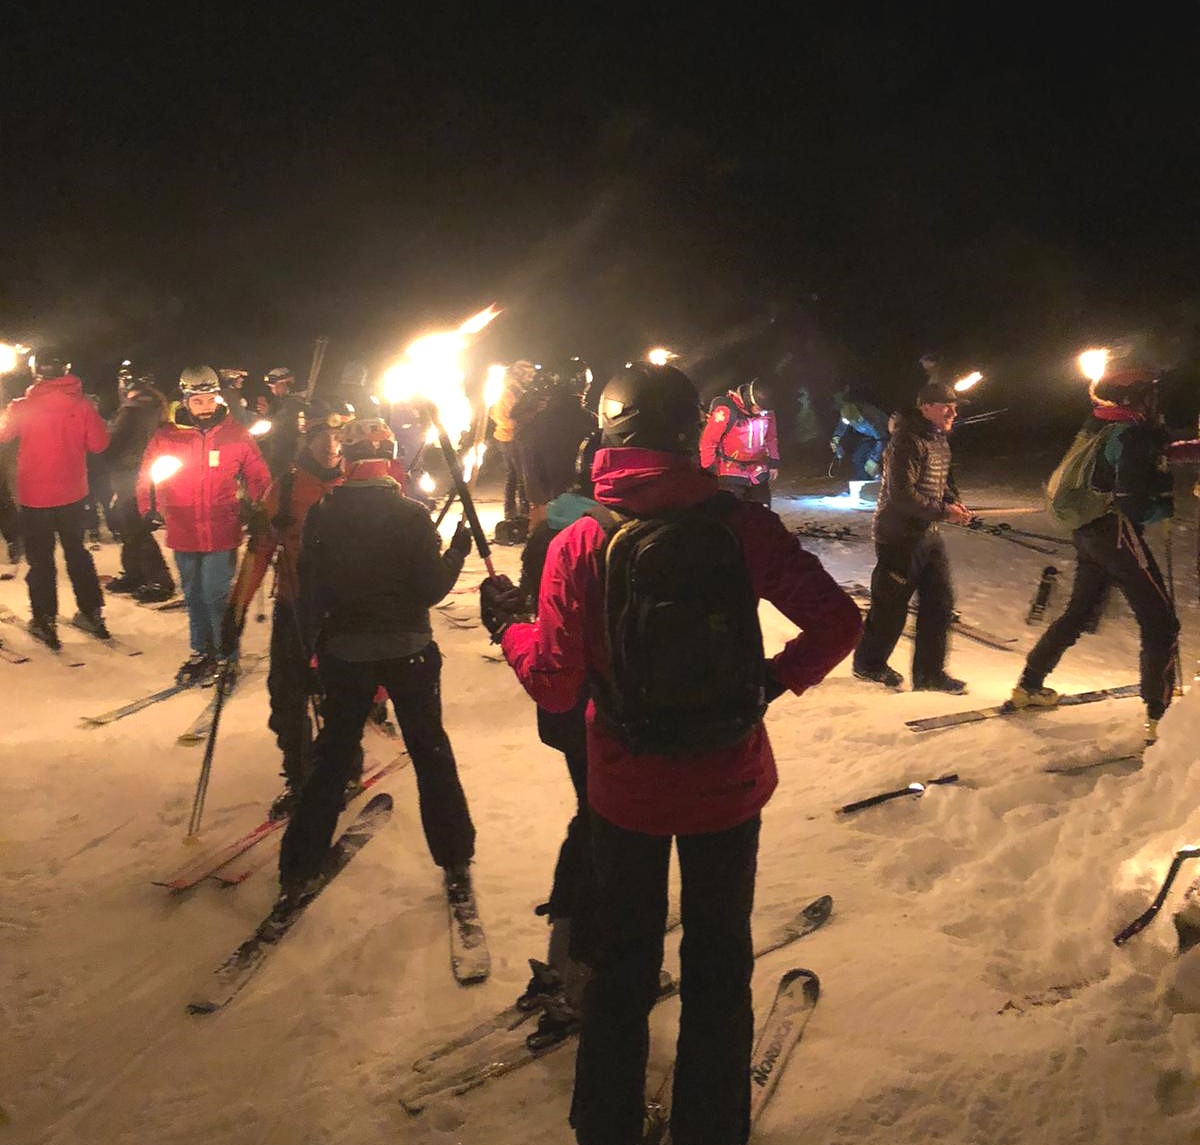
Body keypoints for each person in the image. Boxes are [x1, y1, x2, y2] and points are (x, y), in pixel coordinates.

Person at [480, 363, 861, 1145]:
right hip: (729, 781)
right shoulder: (743, 525)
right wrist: (770, 682)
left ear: (608, 436)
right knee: (720, 965)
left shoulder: (582, 540)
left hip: (626, 792)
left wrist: (507, 625)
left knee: (622, 968)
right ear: (690, 432)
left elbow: (555, 685)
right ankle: (710, 1127)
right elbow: (838, 623)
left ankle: (605, 1127)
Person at [278, 416, 476, 902]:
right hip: (408, 651)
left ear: (347, 461)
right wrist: (455, 552)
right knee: (430, 751)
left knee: (332, 757)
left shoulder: (325, 512)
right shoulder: (410, 514)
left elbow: (310, 591)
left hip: (346, 654)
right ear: (387, 459)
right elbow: (430, 588)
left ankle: (298, 865)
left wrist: (313, 652)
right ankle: (454, 855)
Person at [1011, 366, 1200, 743]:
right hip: (1114, 531)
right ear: (1136, 398)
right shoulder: (1131, 433)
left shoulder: (1103, 421)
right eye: (1150, 394)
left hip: (1090, 530)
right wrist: (1154, 506)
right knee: (1161, 622)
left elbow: (1155, 450)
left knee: (1079, 612)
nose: (1155, 401)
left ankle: (1029, 686)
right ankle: (1158, 718)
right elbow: (1132, 494)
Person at [223, 401, 353, 817]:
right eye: (323, 437)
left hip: (343, 610)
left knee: (341, 696)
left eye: (338, 437)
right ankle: (298, 776)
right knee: (287, 698)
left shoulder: (358, 482)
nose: (331, 445)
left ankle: (343, 763)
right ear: (308, 438)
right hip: (295, 606)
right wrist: (236, 610)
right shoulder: (287, 488)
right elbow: (260, 553)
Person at [137, 365, 271, 685]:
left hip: (221, 527)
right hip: (182, 527)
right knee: (193, 593)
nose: (206, 405)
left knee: (215, 594)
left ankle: (226, 654)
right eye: (198, 401)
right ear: (185, 400)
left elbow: (258, 474)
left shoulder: (234, 433)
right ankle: (201, 651)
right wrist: (149, 507)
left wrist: (261, 505)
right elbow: (148, 476)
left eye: (210, 398)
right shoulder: (167, 435)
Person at [852, 378, 973, 692]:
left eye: (955, 407)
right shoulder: (907, 441)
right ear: (925, 407)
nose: (953, 413)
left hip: (926, 533)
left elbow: (942, 483)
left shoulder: (938, 439)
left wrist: (953, 502)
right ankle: (869, 664)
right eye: (947, 407)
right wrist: (944, 511)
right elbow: (902, 496)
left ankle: (930, 674)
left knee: (939, 602)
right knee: (891, 606)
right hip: (898, 535)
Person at [0, 349, 111, 649]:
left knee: (41, 559)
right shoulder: (83, 404)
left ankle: (45, 619)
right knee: (77, 553)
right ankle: (91, 612)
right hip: (74, 494)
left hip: (35, 497)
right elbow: (99, 443)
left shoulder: (22, 406)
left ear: (36, 372)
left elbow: (4, 435)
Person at [104, 367, 176, 601]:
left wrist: (100, 447)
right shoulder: (155, 405)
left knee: (134, 526)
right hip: (141, 471)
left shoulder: (132, 409)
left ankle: (159, 580)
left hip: (129, 472)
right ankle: (135, 573)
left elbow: (114, 440)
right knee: (128, 523)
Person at [512, 361, 597, 531]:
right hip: (581, 515)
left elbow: (528, 471)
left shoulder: (534, 423)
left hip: (545, 513)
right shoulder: (591, 422)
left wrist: (538, 506)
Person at [699, 378, 780, 506]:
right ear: (749, 401)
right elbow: (709, 441)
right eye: (758, 408)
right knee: (733, 515)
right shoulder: (726, 412)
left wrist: (774, 462)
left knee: (763, 513)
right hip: (730, 473)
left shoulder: (767, 412)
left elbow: (771, 437)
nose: (762, 412)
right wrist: (709, 470)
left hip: (758, 472)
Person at [488, 358, 535, 534]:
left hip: (514, 437)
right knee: (518, 476)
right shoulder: (509, 392)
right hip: (509, 438)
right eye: (528, 374)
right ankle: (515, 513)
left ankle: (518, 511)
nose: (531, 378)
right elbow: (499, 415)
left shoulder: (519, 390)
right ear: (519, 374)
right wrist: (517, 425)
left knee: (517, 475)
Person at [830, 389, 889, 489]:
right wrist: (835, 440)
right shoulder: (847, 413)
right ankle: (863, 486)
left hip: (885, 437)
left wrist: (874, 459)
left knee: (872, 463)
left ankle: (880, 486)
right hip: (869, 437)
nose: (850, 423)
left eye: (851, 421)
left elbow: (881, 439)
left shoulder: (870, 417)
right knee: (858, 458)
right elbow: (841, 429)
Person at [258, 366, 307, 479]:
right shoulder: (282, 400)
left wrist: (268, 413)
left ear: (286, 383)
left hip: (288, 451)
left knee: (280, 478)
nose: (272, 390)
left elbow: (283, 422)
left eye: (274, 387)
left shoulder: (295, 401)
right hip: (279, 448)